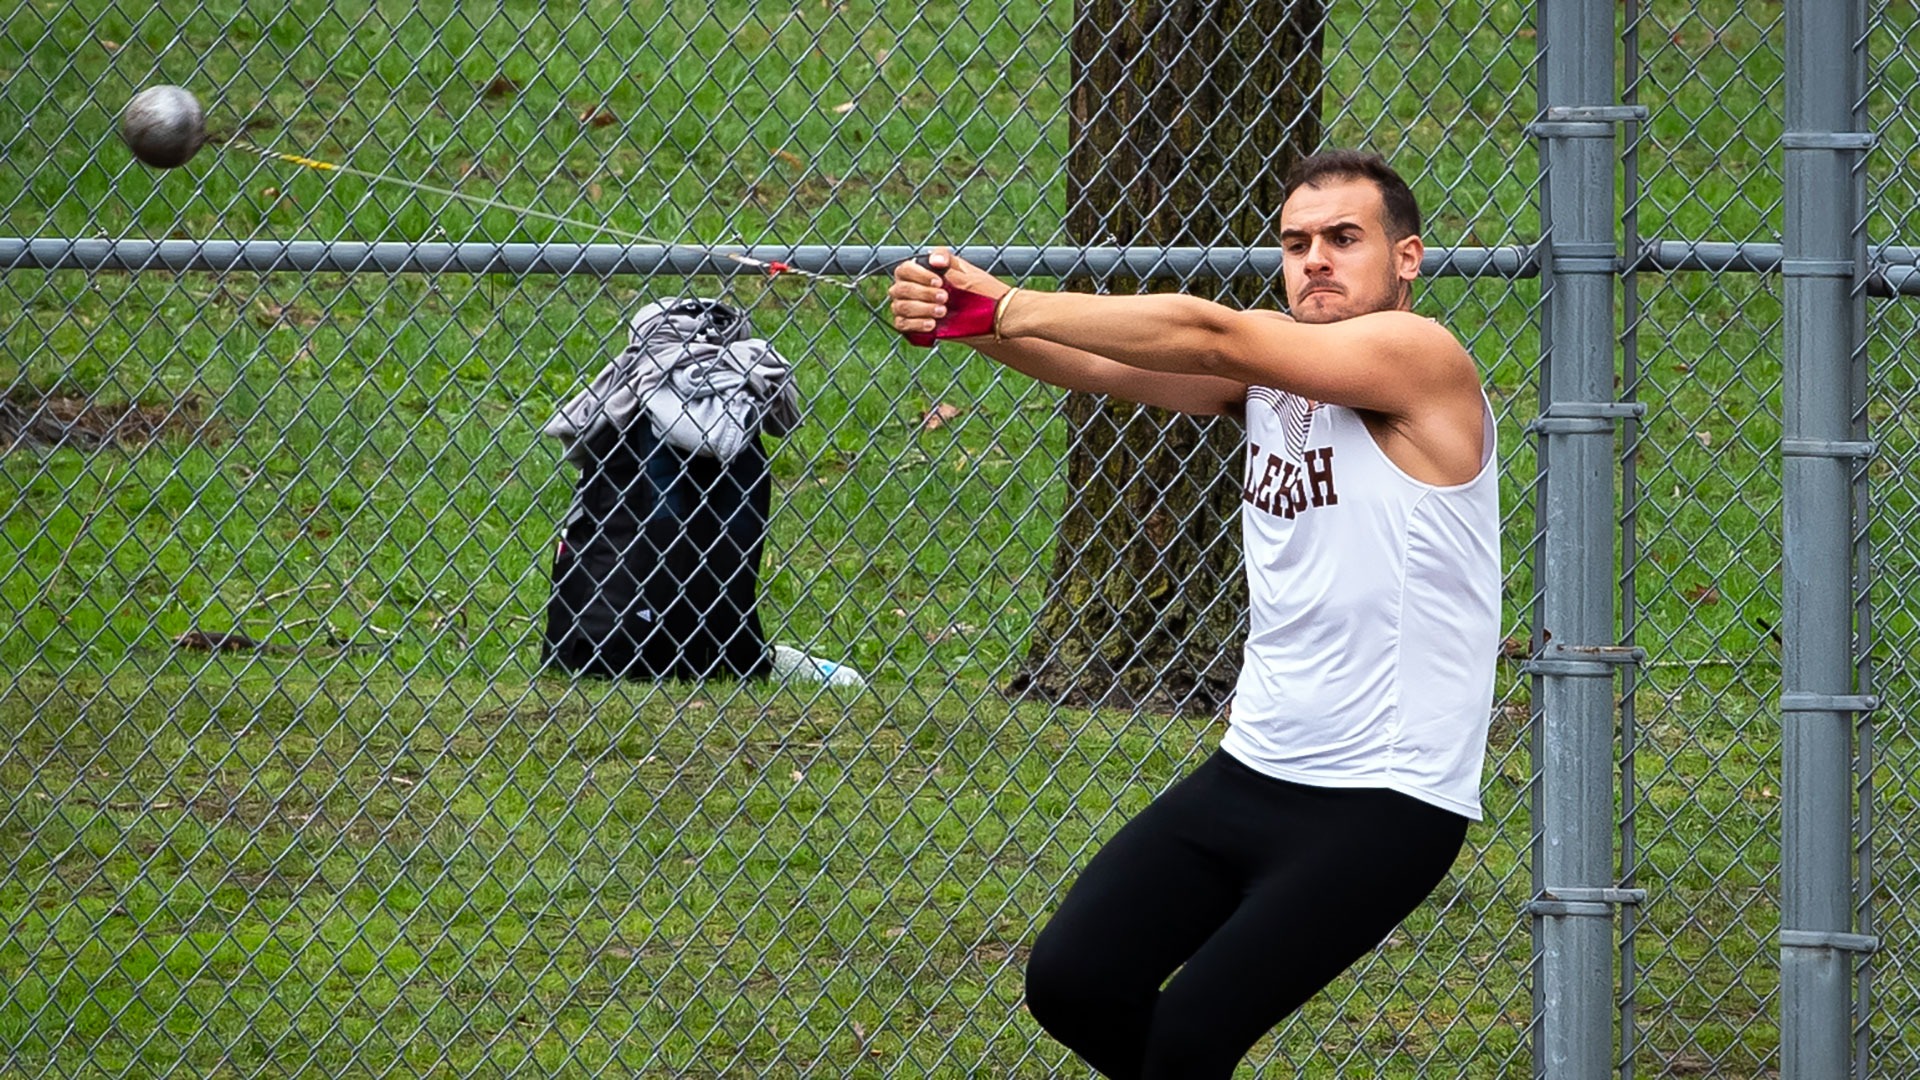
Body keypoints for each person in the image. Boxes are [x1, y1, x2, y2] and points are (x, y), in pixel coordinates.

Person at [887, 149, 1501, 1077]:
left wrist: (1007, 300)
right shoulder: (1274, 381)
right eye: (1296, 243)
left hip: (1384, 799)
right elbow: (1096, 366)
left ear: (1406, 258)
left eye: (1344, 238)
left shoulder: (1421, 359)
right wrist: (966, 320)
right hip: (1254, 766)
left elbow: (1213, 335)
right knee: (1074, 982)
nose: (1315, 261)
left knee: (1185, 1044)